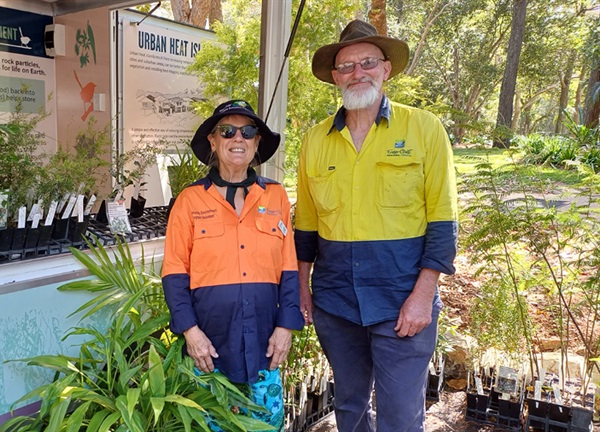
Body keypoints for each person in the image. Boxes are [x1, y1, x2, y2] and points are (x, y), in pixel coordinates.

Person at [295, 20, 458, 431]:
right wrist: (302, 289)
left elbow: (443, 220)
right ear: (335, 77)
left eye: (367, 62)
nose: (357, 72)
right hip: (335, 303)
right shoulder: (315, 139)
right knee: (348, 408)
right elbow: (307, 226)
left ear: (386, 68)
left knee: (400, 417)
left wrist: (423, 296)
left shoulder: (423, 129)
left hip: (402, 302)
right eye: (347, 66)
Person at [162, 99, 305, 431]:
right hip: (209, 349)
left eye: (248, 131)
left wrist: (286, 328)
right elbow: (173, 271)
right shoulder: (189, 200)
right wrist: (191, 332)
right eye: (227, 131)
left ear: (257, 143)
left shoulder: (276, 196)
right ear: (213, 141)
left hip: (264, 346)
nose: (237, 138)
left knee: (266, 427)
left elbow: (288, 268)